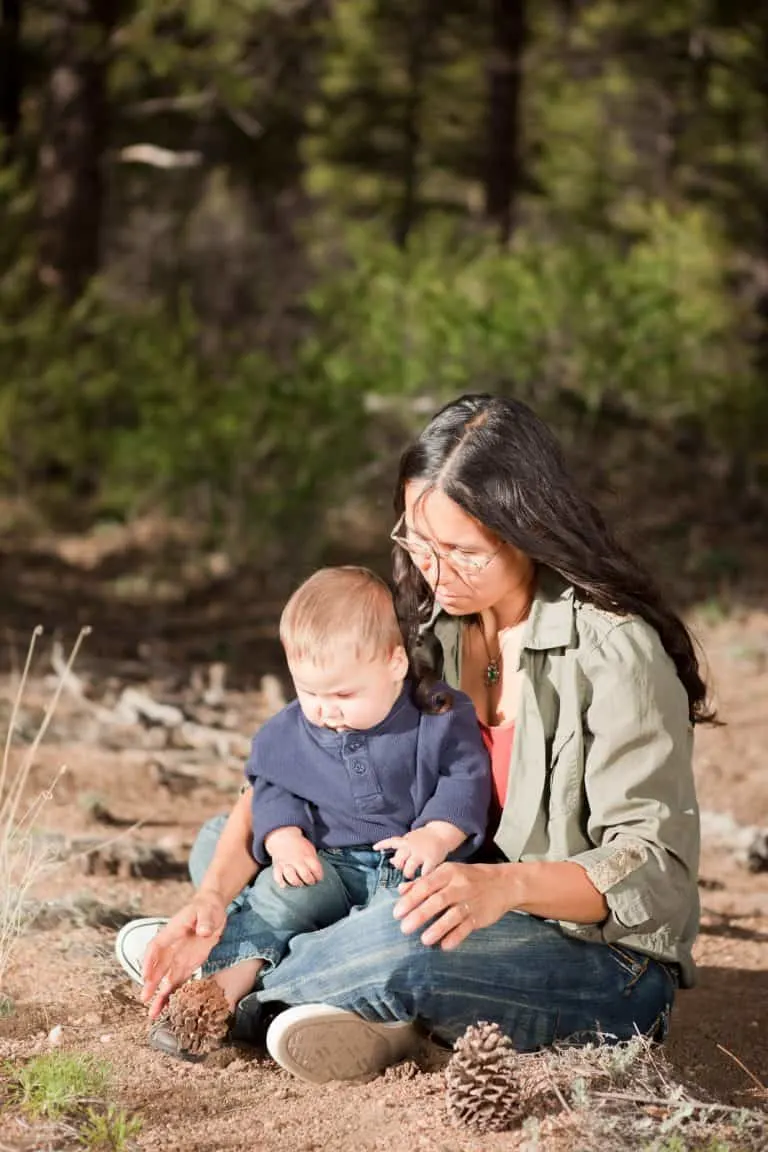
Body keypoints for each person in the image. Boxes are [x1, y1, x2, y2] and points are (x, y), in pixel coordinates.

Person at [125, 392, 708, 1085]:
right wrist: (211, 899)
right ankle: (351, 1004)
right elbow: (292, 775)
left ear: (528, 529)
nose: (435, 570)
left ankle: (240, 980)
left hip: (590, 955)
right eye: (418, 543)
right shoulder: (428, 629)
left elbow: (653, 868)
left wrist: (505, 886)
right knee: (230, 839)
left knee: (404, 942)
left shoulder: (614, 652)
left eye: (463, 552)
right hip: (436, 887)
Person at [123, 565, 490, 1059]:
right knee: (277, 895)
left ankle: (321, 1005)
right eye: (309, 692)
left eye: (343, 695)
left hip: (411, 867)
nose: (325, 710)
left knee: (400, 928)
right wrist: (284, 838)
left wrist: (437, 835)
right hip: (327, 861)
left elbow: (465, 778)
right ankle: (218, 995)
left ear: (394, 663)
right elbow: (273, 788)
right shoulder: (288, 731)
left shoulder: (439, 715)